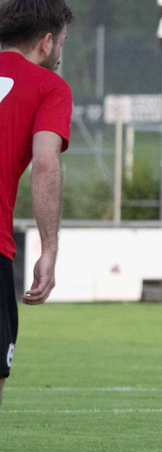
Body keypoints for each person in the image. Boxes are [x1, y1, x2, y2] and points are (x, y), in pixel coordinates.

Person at [0, 0, 73, 406]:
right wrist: (49, 249)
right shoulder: (49, 87)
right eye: (61, 42)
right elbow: (45, 162)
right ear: (47, 42)